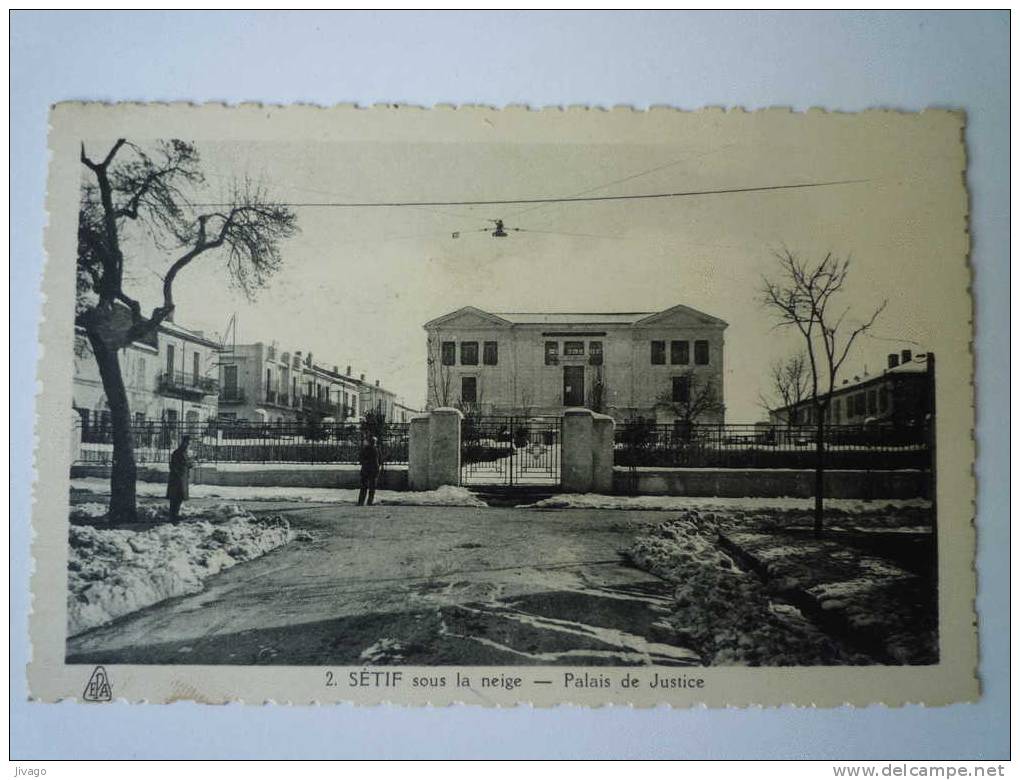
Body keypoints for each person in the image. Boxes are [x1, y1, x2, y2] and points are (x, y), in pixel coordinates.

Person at [167, 436, 194, 520]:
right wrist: (190, 463)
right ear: (184, 443)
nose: (189, 445)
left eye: (190, 444)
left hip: (181, 478)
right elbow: (174, 465)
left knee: (178, 498)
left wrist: (190, 463)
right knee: (176, 498)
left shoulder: (183, 452)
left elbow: (187, 463)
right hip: (178, 479)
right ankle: (173, 515)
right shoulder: (179, 452)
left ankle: (175, 514)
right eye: (188, 443)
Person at [358, 435, 382, 506]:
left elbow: (360, 459)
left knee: (363, 487)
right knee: (372, 487)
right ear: (375, 442)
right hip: (373, 470)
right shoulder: (376, 450)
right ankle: (370, 502)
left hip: (365, 470)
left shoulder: (364, 449)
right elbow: (379, 461)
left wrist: (364, 464)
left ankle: (361, 502)